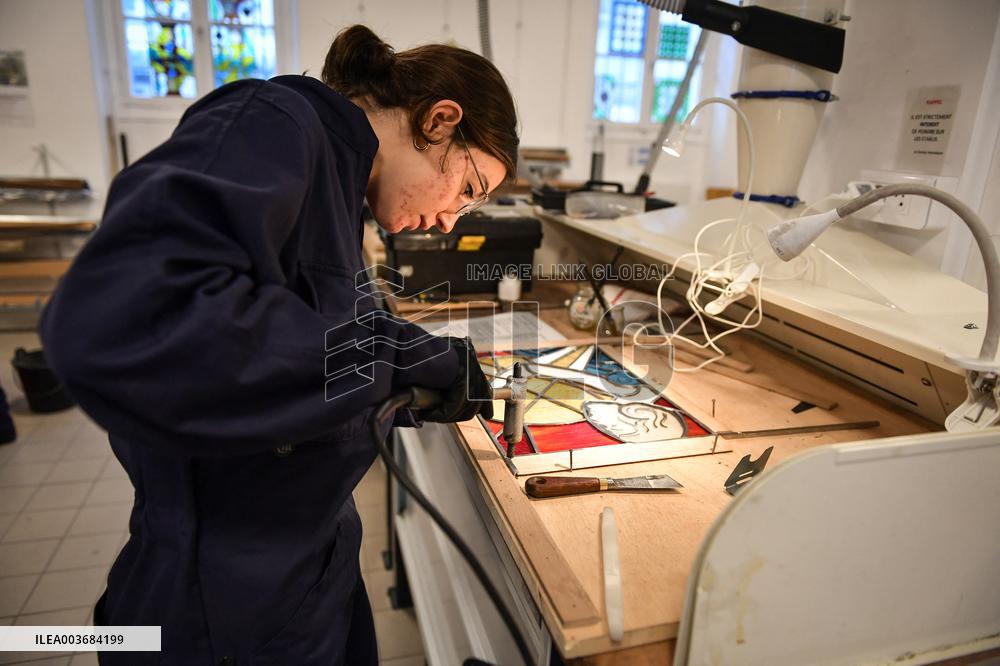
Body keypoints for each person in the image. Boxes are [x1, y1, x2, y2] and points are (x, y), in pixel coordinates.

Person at [38, 24, 515, 666]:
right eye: (468, 190)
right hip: (224, 603)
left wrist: (430, 371)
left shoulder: (341, 188)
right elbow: (128, 317)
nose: (452, 219)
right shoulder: (275, 122)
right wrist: (389, 363)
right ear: (439, 120)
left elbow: (308, 340)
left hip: (310, 571)